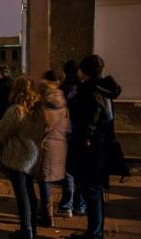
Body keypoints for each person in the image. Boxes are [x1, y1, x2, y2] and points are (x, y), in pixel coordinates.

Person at [67, 55, 124, 239]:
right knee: (94, 191)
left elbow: (90, 119)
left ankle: (94, 233)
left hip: (90, 150)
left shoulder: (90, 91)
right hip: (99, 148)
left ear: (85, 71)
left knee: (92, 191)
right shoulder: (103, 88)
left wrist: (87, 135)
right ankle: (94, 231)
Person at [0, 77, 45, 239]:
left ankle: (27, 230)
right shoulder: (39, 111)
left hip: (18, 156)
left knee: (22, 194)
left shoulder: (17, 110)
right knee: (30, 192)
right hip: (34, 154)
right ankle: (32, 228)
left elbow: (1, 132)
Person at [36, 70, 70, 228]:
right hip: (60, 143)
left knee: (44, 181)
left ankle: (47, 215)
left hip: (46, 144)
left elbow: (40, 125)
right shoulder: (62, 99)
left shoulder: (43, 100)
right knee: (52, 179)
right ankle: (65, 207)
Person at [57, 60, 87, 218]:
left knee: (68, 171)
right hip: (82, 133)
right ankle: (80, 205)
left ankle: (66, 205)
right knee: (81, 169)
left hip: (65, 132)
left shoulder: (62, 89)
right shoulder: (84, 89)